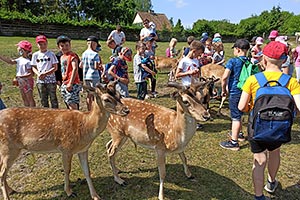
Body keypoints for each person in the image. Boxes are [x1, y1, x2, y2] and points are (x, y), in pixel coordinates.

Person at [238, 41, 300, 200]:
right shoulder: (291, 82)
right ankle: (271, 181)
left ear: (263, 59)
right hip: (279, 127)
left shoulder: (253, 80)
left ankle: (259, 196)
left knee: (259, 159)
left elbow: (241, 106)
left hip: (257, 128)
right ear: (284, 60)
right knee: (275, 152)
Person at [219, 39, 250, 150]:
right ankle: (240, 134)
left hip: (235, 91)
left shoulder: (233, 61)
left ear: (238, 49)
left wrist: (224, 90)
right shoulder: (249, 61)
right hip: (246, 92)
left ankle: (234, 142)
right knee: (240, 113)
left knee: (235, 117)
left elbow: (224, 77)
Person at [0, 40, 36, 107]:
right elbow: (10, 62)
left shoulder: (27, 61)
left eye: (18, 48)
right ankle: (26, 110)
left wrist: (21, 77)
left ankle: (32, 111)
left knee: (29, 97)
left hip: (27, 81)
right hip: (21, 80)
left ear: (22, 50)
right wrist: (1, 57)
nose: (17, 49)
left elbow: (31, 74)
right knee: (24, 97)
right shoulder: (20, 59)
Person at [31, 35, 59, 108]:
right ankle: (45, 113)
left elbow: (55, 67)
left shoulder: (51, 54)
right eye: (40, 44)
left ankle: (55, 112)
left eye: (44, 44)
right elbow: (33, 67)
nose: (42, 46)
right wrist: (38, 74)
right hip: (40, 80)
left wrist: (45, 73)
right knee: (43, 98)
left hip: (50, 80)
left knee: (53, 98)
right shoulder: (35, 55)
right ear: (37, 45)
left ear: (47, 43)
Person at [56, 35, 81, 110]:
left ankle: (76, 119)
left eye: (67, 45)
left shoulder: (72, 56)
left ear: (70, 45)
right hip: (65, 82)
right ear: (59, 47)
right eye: (62, 46)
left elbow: (75, 68)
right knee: (67, 101)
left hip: (72, 83)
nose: (65, 47)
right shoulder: (62, 57)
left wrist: (71, 82)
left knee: (72, 103)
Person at [79, 35, 102, 110]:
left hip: (86, 76)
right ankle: (96, 110)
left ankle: (89, 109)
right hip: (94, 76)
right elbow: (95, 67)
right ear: (94, 44)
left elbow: (80, 65)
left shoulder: (84, 53)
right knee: (96, 94)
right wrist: (100, 66)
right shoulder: (95, 54)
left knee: (89, 95)